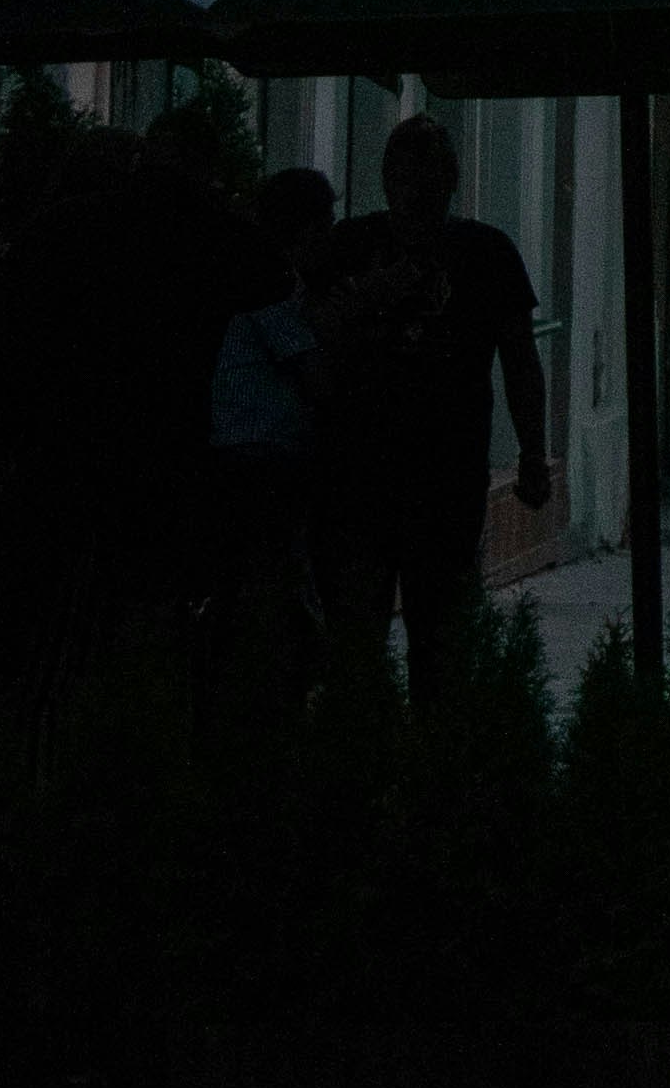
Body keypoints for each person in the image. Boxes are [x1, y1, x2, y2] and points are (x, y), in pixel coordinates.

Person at [316, 115, 549, 695]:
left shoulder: (366, 245)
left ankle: (392, 752)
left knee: (405, 632)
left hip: (409, 472)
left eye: (423, 181)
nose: (413, 194)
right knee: (420, 636)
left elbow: (521, 360)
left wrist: (533, 453)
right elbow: (519, 360)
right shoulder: (472, 251)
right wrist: (531, 454)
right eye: (405, 180)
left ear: (446, 184)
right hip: (387, 472)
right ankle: (422, 757)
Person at [205, 165, 334, 609]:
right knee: (276, 583)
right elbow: (315, 378)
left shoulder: (261, 273)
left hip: (247, 452)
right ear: (310, 229)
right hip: (259, 456)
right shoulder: (268, 279)